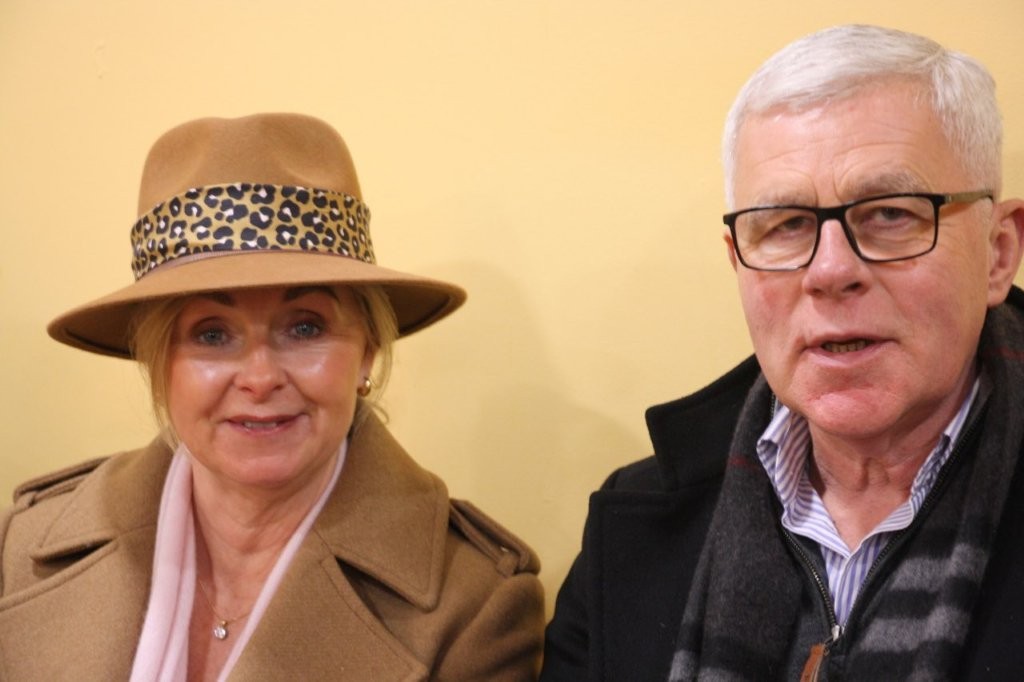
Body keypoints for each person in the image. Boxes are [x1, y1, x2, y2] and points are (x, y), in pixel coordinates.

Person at [541, 24, 1024, 681]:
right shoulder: (630, 533)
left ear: (997, 253)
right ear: (737, 260)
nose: (830, 270)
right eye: (787, 225)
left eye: (890, 214)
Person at [0, 113, 544, 681]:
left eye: (305, 327)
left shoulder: (476, 606)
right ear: (159, 364)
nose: (260, 378)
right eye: (212, 334)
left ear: (367, 352)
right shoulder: (21, 547)